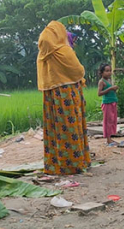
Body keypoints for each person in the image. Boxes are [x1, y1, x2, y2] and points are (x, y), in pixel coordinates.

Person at [37, 21, 90, 175]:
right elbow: (78, 71)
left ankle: (56, 164)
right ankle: (73, 163)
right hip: (67, 94)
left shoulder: (42, 56)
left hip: (50, 96)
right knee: (70, 128)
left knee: (55, 129)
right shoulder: (64, 51)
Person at [97, 63, 119, 146]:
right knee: (107, 121)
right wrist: (110, 88)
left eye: (110, 71)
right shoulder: (101, 82)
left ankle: (110, 137)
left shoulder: (109, 80)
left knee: (113, 120)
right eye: (106, 71)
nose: (109, 73)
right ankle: (108, 139)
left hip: (113, 102)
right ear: (102, 73)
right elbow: (99, 93)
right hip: (107, 103)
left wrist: (114, 89)